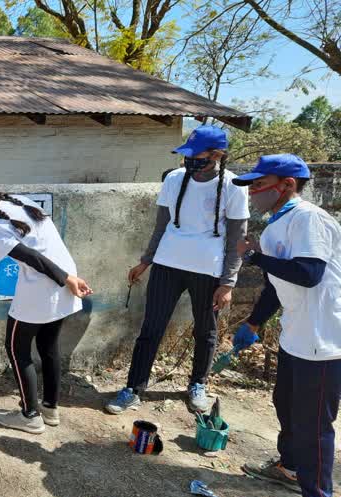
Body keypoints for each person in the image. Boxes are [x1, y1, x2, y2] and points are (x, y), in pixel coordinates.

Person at [105, 125, 250, 415]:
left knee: (206, 331)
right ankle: (133, 388)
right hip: (167, 265)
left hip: (208, 271)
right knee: (151, 328)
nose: (190, 161)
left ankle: (198, 384)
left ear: (216, 155)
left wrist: (228, 283)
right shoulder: (174, 179)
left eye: (197, 155)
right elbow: (162, 225)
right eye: (188, 155)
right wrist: (146, 261)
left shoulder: (232, 187)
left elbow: (237, 238)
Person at [232, 154, 341, 497]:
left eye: (259, 185)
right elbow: (275, 287)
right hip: (296, 334)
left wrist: (255, 258)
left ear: (287, 185)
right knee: (286, 405)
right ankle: (290, 468)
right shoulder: (277, 224)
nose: (252, 193)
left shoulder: (309, 219)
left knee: (313, 426)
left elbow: (309, 273)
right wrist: (253, 322)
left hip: (325, 338)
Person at [0, 175, 92, 434]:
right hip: (64, 279)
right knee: (48, 346)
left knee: (16, 348)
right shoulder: (22, 202)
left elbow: (31, 257)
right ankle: (50, 408)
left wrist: (66, 279)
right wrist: (69, 277)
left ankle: (30, 415)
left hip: (46, 286)